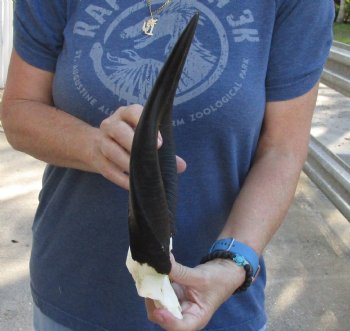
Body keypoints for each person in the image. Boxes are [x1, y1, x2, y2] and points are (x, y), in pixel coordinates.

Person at [1, 1, 334, 330]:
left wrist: (232, 261)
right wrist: (93, 147)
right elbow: (19, 109)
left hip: (219, 306)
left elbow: (282, 149)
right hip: (75, 294)